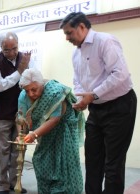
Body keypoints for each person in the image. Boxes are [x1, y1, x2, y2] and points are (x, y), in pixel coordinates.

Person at [60, 12, 137, 194]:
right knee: (93, 159)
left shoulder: (105, 41)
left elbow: (120, 73)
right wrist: (81, 100)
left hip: (120, 106)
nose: (67, 38)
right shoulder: (75, 54)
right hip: (96, 109)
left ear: (81, 27)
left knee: (113, 163)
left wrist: (93, 95)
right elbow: (78, 81)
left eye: (69, 33)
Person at [17, 68, 84, 194]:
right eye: (27, 90)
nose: (30, 94)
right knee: (40, 161)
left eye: (34, 89)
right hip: (44, 134)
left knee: (63, 166)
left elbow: (55, 119)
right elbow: (20, 118)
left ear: (42, 84)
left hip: (62, 132)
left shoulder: (55, 92)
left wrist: (34, 133)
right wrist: (21, 134)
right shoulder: (23, 95)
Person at [0, 32, 31, 194]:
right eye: (7, 50)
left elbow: (30, 82)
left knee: (18, 151)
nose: (12, 53)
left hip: (21, 114)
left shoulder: (24, 58)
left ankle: (15, 182)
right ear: (1, 48)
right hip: (1, 114)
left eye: (14, 48)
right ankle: (1, 185)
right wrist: (20, 72)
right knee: (1, 153)